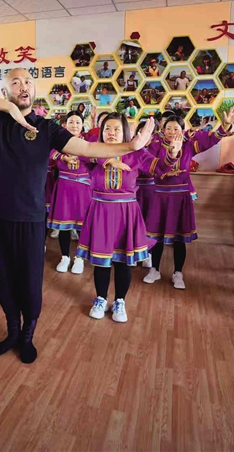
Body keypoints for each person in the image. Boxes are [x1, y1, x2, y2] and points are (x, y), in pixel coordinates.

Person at [0, 68, 155, 364]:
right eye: (15, 82)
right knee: (3, 279)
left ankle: (27, 335)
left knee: (30, 280)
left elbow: (88, 147)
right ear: (5, 91)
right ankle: (12, 331)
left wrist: (130, 146)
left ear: (35, 89)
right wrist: (9, 109)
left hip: (31, 217)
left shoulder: (47, 129)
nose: (23, 86)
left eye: (28, 81)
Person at [142, 104, 234, 289]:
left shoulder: (188, 145)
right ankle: (154, 270)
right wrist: (163, 173)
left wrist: (225, 125)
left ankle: (178, 273)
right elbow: (148, 166)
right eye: (168, 128)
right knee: (156, 236)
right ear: (162, 130)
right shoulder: (154, 146)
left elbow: (211, 140)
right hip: (160, 196)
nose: (172, 132)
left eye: (176, 129)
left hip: (180, 197)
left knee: (179, 238)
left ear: (182, 130)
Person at [79, 113, 158, 322]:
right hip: (101, 211)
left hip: (126, 213)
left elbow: (159, 167)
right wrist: (109, 160)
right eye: (107, 129)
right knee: (101, 261)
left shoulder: (137, 153)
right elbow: (80, 153)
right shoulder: (94, 150)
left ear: (125, 132)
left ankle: (120, 301)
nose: (111, 133)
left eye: (116, 129)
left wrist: (174, 153)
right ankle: (100, 298)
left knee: (123, 261)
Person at [47, 112, 91, 274]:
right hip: (64, 187)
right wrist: (62, 158)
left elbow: (96, 157)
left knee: (82, 227)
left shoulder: (88, 143)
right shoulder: (58, 142)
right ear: (65, 125)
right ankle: (65, 256)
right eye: (71, 122)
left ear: (82, 125)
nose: (74, 125)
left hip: (83, 190)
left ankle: (79, 258)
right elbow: (48, 151)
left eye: (78, 122)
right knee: (64, 225)